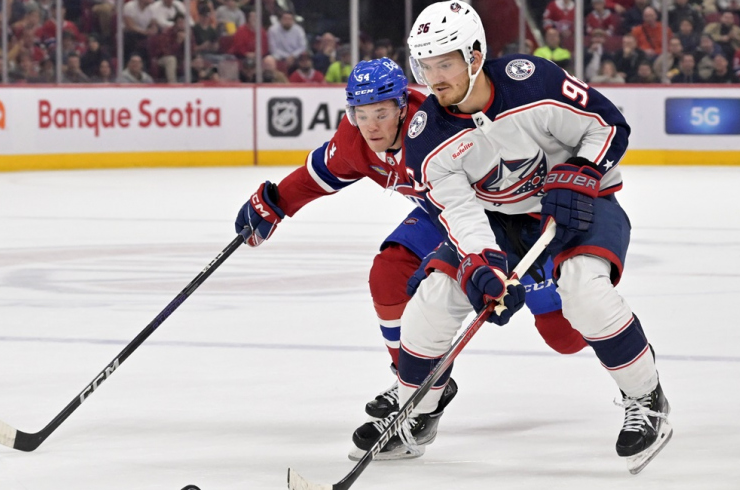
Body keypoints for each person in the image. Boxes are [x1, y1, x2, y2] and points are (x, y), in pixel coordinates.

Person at [367, 0, 672, 473]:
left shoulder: (534, 81)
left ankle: (646, 399)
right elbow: (461, 214)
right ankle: (419, 415)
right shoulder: (427, 137)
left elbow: (610, 126)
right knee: (430, 300)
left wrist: (582, 170)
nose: (433, 78)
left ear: (473, 56)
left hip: (580, 207)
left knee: (583, 292)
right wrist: (482, 265)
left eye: (444, 63)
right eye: (424, 66)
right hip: (500, 222)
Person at [234, 57, 587, 461]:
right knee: (389, 270)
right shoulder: (356, 139)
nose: (370, 125)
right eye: (360, 113)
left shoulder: (443, 122)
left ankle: (620, 345)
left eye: (381, 113)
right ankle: (417, 392)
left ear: (404, 106)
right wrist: (275, 203)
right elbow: (320, 173)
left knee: (564, 337)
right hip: (445, 214)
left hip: (511, 218)